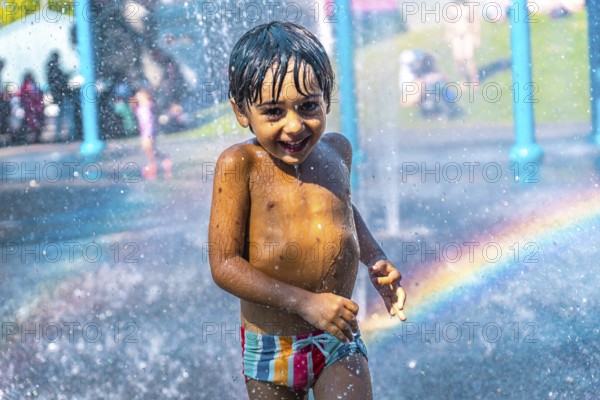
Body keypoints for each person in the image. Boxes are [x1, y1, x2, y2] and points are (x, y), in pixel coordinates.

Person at [208, 21, 407, 400]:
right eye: (273, 112)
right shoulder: (239, 165)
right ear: (241, 112)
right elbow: (224, 264)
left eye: (308, 106)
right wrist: (306, 303)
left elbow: (343, 209)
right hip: (274, 345)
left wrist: (375, 257)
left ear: (326, 100)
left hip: (337, 338)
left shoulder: (336, 151)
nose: (294, 125)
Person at [130, 85, 172, 180]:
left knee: (148, 148)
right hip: (144, 131)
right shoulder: (139, 107)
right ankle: (164, 159)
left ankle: (153, 166)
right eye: (138, 96)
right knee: (149, 149)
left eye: (140, 96)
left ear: (146, 97)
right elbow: (133, 107)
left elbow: (153, 108)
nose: (138, 97)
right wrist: (134, 100)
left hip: (150, 130)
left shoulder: (148, 105)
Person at [445, 0, 481, 84]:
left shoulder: (468, 7)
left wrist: (477, 37)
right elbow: (448, 22)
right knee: (458, 60)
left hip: (467, 35)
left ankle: (474, 79)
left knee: (469, 58)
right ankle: (463, 80)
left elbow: (475, 22)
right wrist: (447, 35)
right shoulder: (451, 8)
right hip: (456, 36)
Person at [46, 51, 76, 141]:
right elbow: (60, 82)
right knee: (67, 116)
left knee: (60, 117)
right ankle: (70, 134)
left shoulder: (50, 69)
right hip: (62, 96)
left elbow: (54, 82)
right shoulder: (54, 69)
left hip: (58, 96)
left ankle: (59, 135)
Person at [19, 72, 45, 143]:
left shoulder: (28, 86)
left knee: (34, 123)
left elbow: (38, 96)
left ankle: (28, 138)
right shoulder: (27, 86)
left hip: (32, 109)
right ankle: (29, 138)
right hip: (30, 109)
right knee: (34, 123)